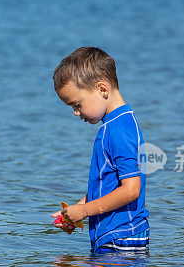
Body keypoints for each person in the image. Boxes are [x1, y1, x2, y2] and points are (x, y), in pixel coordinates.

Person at [51, 46, 149, 253]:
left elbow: (131, 189)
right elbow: (108, 182)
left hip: (122, 238)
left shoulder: (120, 130)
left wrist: (85, 211)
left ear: (102, 89)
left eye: (77, 104)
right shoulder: (114, 125)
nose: (76, 113)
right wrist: (74, 211)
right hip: (114, 236)